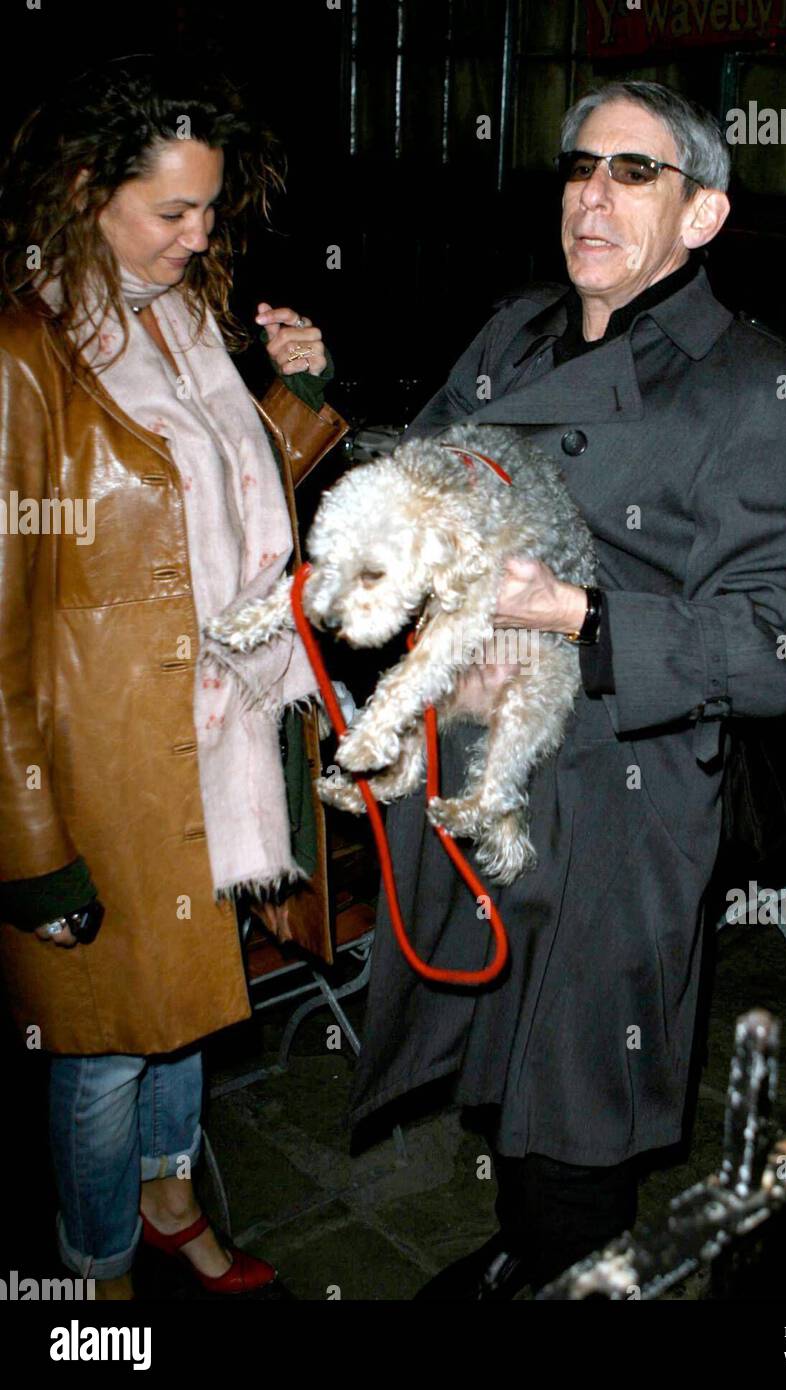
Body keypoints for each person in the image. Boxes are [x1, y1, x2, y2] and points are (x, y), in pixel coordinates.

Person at [347, 80, 786, 1297]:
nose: (594, 195)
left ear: (704, 216)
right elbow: (422, 474)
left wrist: (576, 613)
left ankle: (577, 1269)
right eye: (580, 167)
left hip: (620, 790)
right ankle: (530, 1250)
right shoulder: (515, 331)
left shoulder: (750, 383)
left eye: (635, 173)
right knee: (501, 1047)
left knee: (579, 1083)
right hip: (485, 759)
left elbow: (784, 642)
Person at [0, 58, 341, 1299]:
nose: (198, 239)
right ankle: (91, 1279)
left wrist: (291, 400)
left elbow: (212, 524)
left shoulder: (185, 318)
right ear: (90, 192)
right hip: (94, 754)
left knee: (189, 999)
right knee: (99, 1041)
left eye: (209, 211)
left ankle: (168, 1200)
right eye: (171, 213)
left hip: (212, 731)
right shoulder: (29, 351)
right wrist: (29, 837)